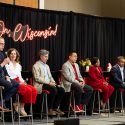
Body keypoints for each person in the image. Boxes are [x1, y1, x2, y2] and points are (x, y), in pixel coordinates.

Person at [5, 48, 38, 116]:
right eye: (11, 54)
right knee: (26, 89)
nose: (13, 55)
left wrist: (23, 82)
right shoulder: (6, 64)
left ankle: (21, 106)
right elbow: (7, 75)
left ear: (16, 55)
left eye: (14, 54)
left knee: (33, 89)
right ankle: (17, 104)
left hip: (19, 80)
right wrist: (18, 82)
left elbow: (19, 76)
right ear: (9, 55)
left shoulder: (18, 65)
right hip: (12, 81)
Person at [32, 49, 65, 115]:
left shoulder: (47, 66)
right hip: (40, 85)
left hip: (48, 84)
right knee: (53, 89)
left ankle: (55, 107)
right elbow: (37, 78)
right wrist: (49, 82)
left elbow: (50, 77)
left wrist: (55, 83)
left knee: (61, 89)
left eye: (47, 56)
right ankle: (49, 109)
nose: (47, 58)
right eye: (45, 56)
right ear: (41, 56)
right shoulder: (35, 66)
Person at [0, 37, 20, 111]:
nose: (3, 45)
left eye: (3, 44)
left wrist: (7, 76)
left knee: (16, 84)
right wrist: (4, 63)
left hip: (2, 77)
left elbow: (4, 69)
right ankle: (2, 102)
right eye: (1, 44)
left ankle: (2, 101)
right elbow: (3, 65)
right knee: (9, 85)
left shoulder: (2, 54)